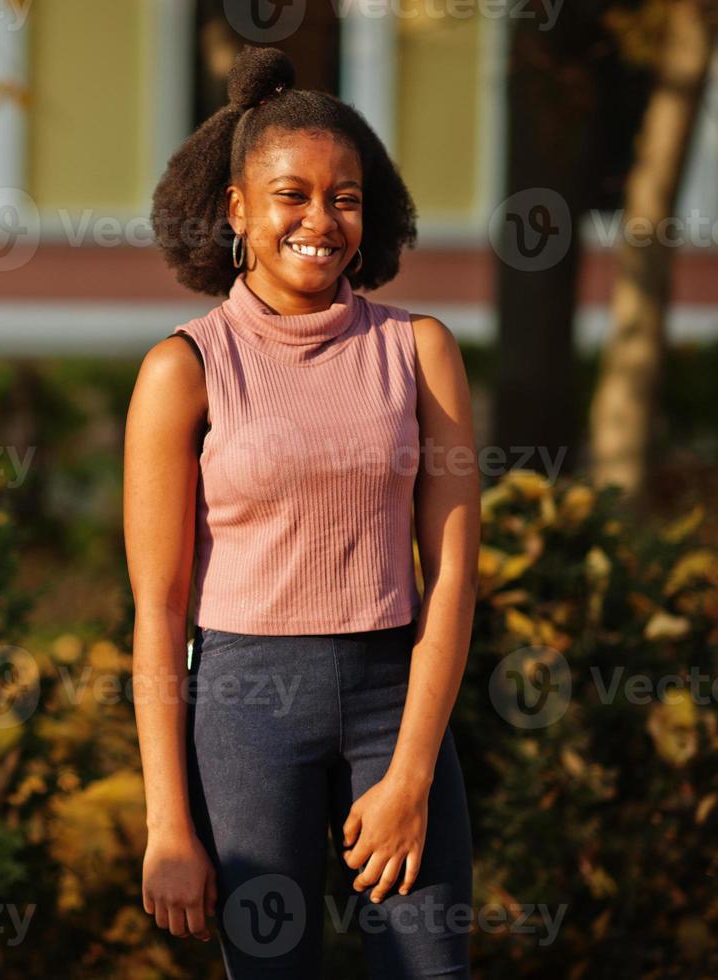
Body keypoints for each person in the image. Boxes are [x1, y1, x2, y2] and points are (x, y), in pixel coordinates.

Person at [123, 46, 480, 978]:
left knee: (428, 970)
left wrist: (409, 773)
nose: (320, 220)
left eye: (345, 197)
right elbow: (159, 616)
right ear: (237, 210)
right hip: (246, 709)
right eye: (291, 194)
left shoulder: (420, 351)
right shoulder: (183, 370)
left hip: (392, 701)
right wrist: (168, 826)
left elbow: (449, 579)